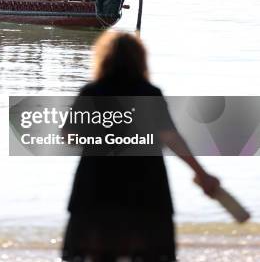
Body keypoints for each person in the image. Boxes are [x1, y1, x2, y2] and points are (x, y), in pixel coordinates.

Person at [61, 30, 220, 262]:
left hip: (96, 185)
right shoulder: (150, 94)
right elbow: (171, 138)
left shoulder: (92, 92)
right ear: (140, 59)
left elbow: (68, 136)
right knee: (148, 255)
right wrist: (202, 174)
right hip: (145, 187)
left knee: (97, 255)